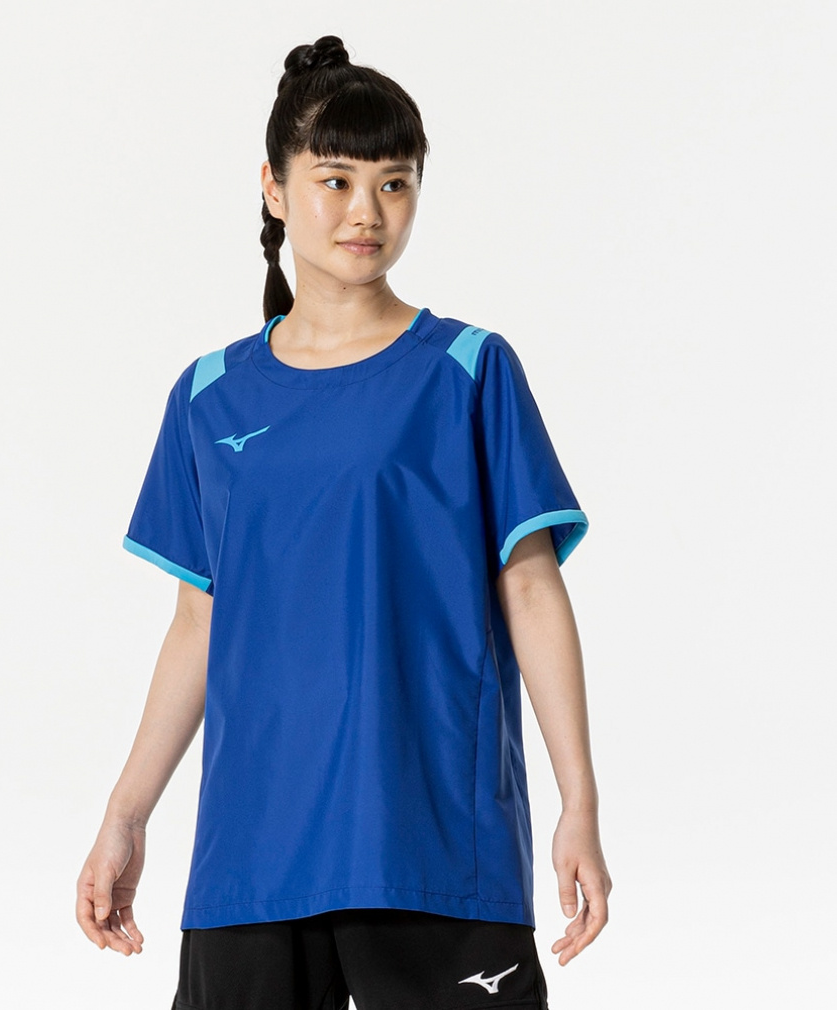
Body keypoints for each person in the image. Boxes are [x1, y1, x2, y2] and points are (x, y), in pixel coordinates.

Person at [76, 35, 612, 1010]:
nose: (367, 210)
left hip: (432, 840)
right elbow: (199, 623)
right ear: (274, 189)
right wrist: (126, 813)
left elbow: (531, 588)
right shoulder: (209, 395)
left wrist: (578, 799)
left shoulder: (467, 371)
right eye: (335, 180)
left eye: (394, 183)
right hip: (252, 856)